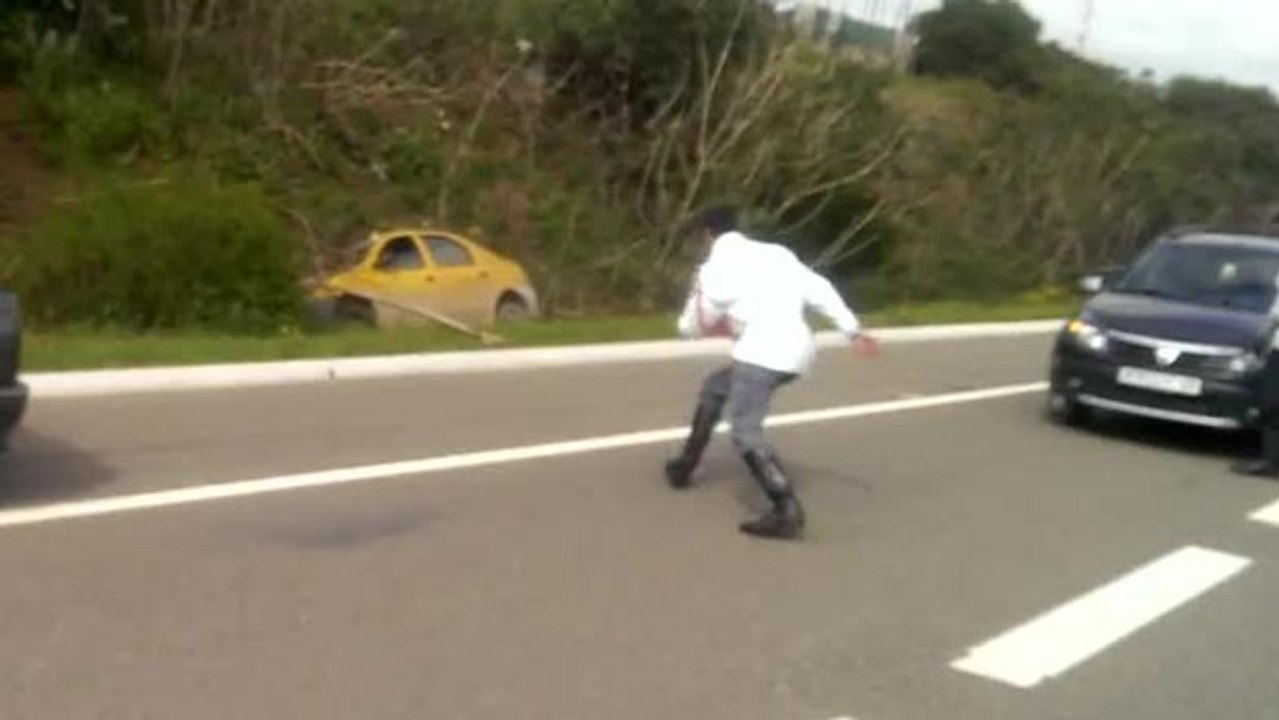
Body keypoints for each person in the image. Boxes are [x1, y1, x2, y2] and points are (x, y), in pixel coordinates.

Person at [664, 206, 880, 540]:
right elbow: (820, 289)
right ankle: (685, 466)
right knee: (716, 388)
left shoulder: (713, 269)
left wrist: (685, 328)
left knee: (744, 432)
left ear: (708, 234)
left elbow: (695, 323)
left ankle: (785, 509)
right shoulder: (777, 255)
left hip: (762, 352)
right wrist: (852, 330)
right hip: (798, 349)